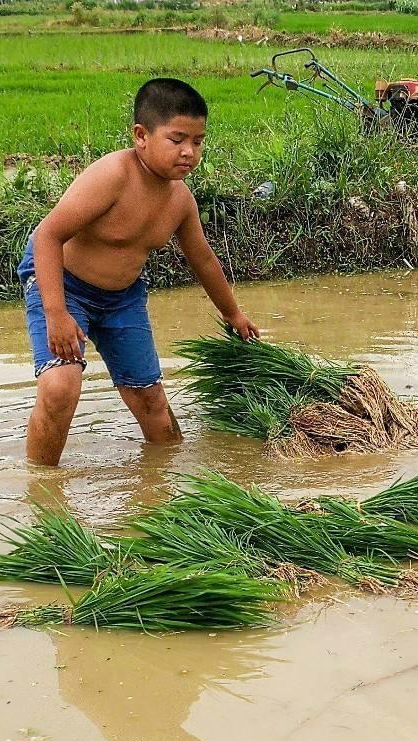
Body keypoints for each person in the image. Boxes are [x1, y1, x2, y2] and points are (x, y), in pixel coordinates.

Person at [18, 78, 260, 466]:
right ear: (141, 136)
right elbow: (47, 235)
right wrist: (56, 313)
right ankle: (42, 489)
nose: (189, 152)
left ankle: (165, 484)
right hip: (64, 287)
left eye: (197, 142)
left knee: (152, 401)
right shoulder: (112, 176)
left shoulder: (180, 200)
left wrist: (233, 313)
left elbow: (202, 259)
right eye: (177, 139)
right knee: (61, 387)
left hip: (122, 299)